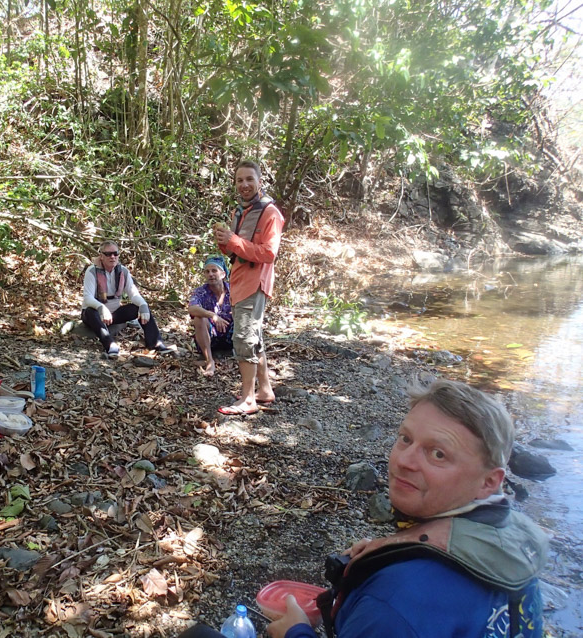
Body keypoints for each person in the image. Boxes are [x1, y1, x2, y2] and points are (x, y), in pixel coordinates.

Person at [264, 378, 548, 638]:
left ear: (489, 482)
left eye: (438, 454)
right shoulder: (516, 548)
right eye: (406, 439)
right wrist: (396, 549)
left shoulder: (392, 602)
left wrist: (297, 633)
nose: (403, 462)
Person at [214, 159, 284, 415]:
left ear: (259, 181)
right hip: (239, 280)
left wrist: (232, 241)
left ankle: (247, 400)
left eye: (249, 179)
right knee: (255, 338)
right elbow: (236, 248)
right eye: (239, 180)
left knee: (244, 338)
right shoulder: (241, 211)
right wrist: (225, 241)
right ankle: (263, 390)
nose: (244, 185)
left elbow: (268, 253)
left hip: (255, 284)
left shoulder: (270, 213)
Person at [81, 240, 172, 359]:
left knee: (138, 307)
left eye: (115, 253)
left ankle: (155, 343)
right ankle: (110, 345)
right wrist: (101, 307)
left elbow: (133, 293)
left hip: (114, 314)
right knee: (90, 311)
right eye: (108, 254)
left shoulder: (123, 271)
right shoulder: (92, 271)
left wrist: (143, 305)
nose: (112, 257)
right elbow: (87, 298)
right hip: (95, 314)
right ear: (101, 256)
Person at [188, 255, 233, 376]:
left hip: (232, 334)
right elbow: (192, 308)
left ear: (223, 274)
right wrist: (212, 315)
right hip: (210, 336)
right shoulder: (201, 291)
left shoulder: (234, 289)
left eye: (214, 271)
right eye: (207, 271)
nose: (211, 274)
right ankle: (209, 361)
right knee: (199, 318)